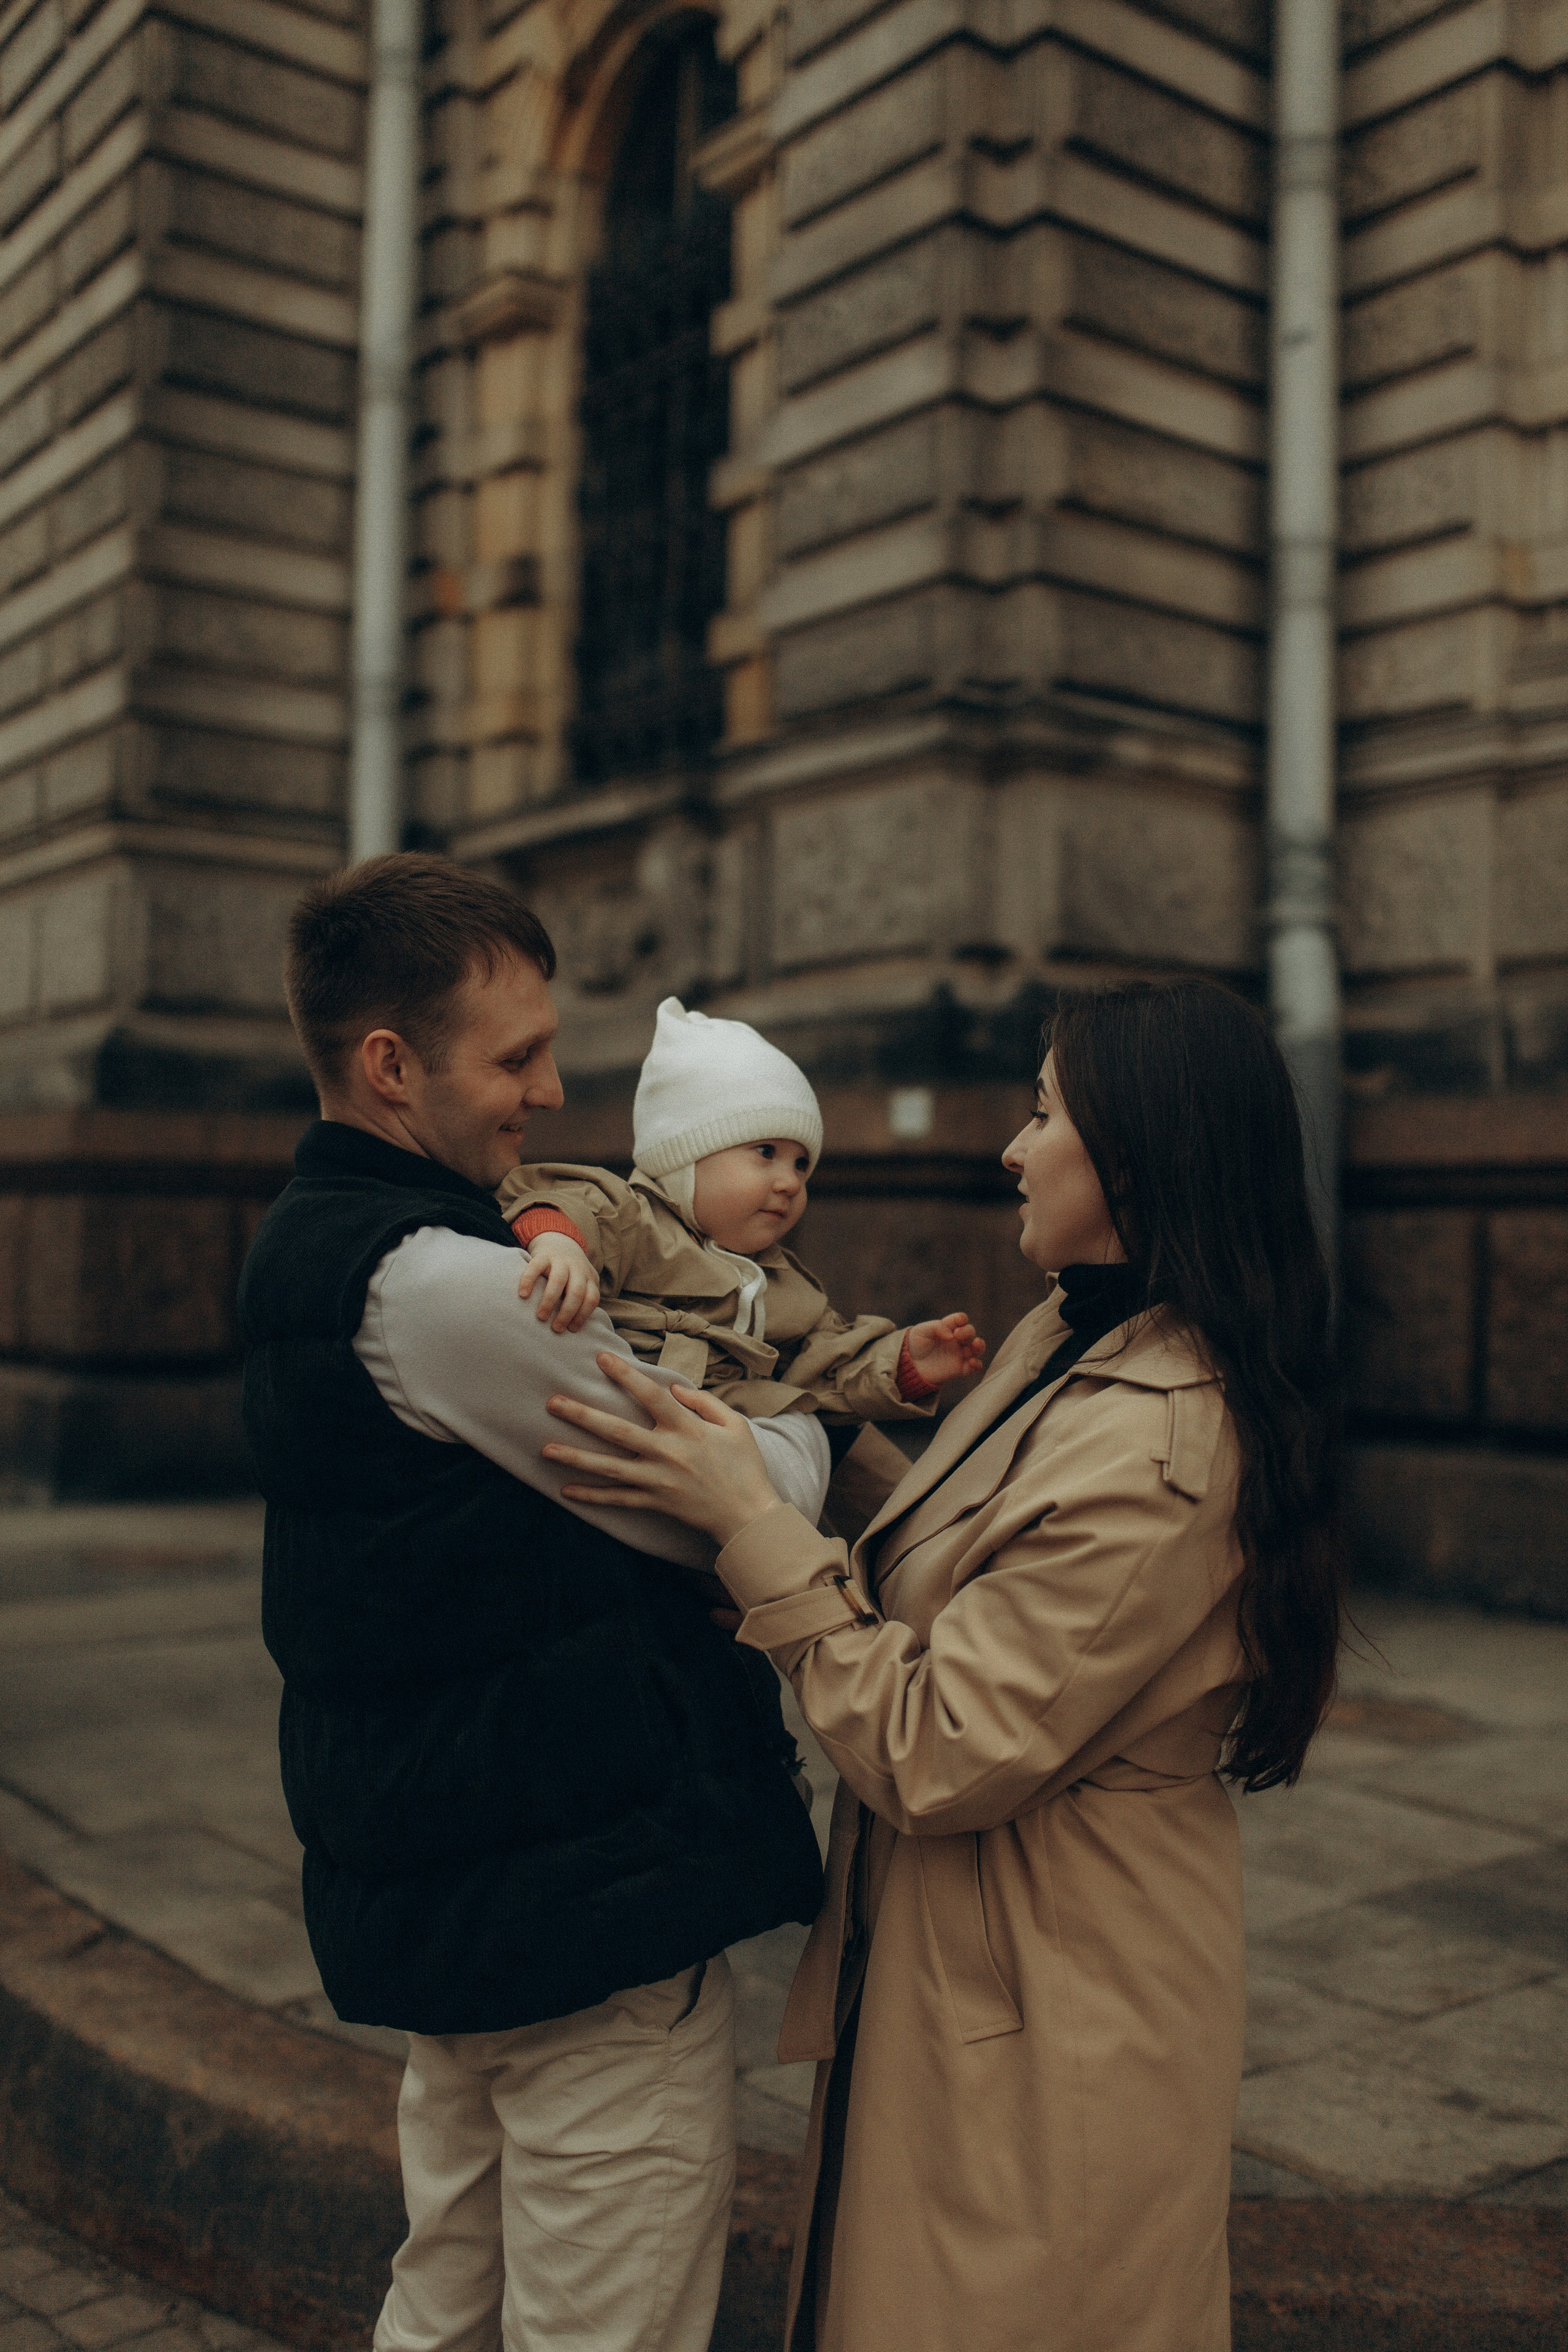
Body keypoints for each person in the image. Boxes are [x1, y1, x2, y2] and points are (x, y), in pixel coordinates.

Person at [540, 977, 1343, 2352]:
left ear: (1135, 1159)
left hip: (1053, 2002)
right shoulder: (1073, 1325)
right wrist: (785, 1449)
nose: (1011, 1149)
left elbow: (938, 1747)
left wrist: (750, 1524)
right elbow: (964, 1546)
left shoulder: (1163, 1444)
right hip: (980, 1962)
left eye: (1041, 1116)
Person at [238, 854, 850, 2352]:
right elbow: (728, 1494)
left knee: (444, 2296)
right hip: (584, 1911)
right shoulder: (449, 1284)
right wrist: (809, 1422)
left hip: (465, 1890)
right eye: (514, 1054)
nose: (551, 1088)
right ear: (390, 1063)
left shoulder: (308, 1242)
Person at [495, 993, 985, 1452]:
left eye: (800, 1164)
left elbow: (826, 1362)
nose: (790, 1182)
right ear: (685, 1158)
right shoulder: (633, 1220)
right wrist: (560, 1246)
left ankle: (913, 1539)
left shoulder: (785, 1284)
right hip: (621, 1432)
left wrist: (904, 1364)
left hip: (729, 1457)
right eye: (766, 1153)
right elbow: (567, 1205)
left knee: (864, 1461)